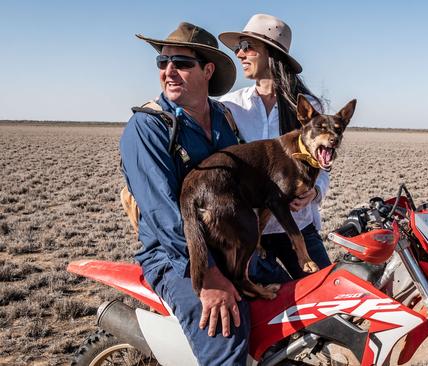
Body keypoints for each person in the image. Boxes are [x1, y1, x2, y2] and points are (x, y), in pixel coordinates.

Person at [119, 22, 248, 365]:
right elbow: (165, 216)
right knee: (227, 334)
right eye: (162, 63)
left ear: (207, 71)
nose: (169, 71)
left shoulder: (224, 118)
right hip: (175, 256)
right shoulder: (148, 128)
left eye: (181, 63)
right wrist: (206, 275)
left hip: (226, 245)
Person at [218, 14, 331, 285]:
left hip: (297, 227)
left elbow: (324, 166)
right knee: (267, 314)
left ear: (272, 53)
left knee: (331, 300)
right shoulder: (230, 106)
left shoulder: (308, 107)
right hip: (248, 233)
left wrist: (314, 193)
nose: (240, 54)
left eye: (247, 46)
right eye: (238, 48)